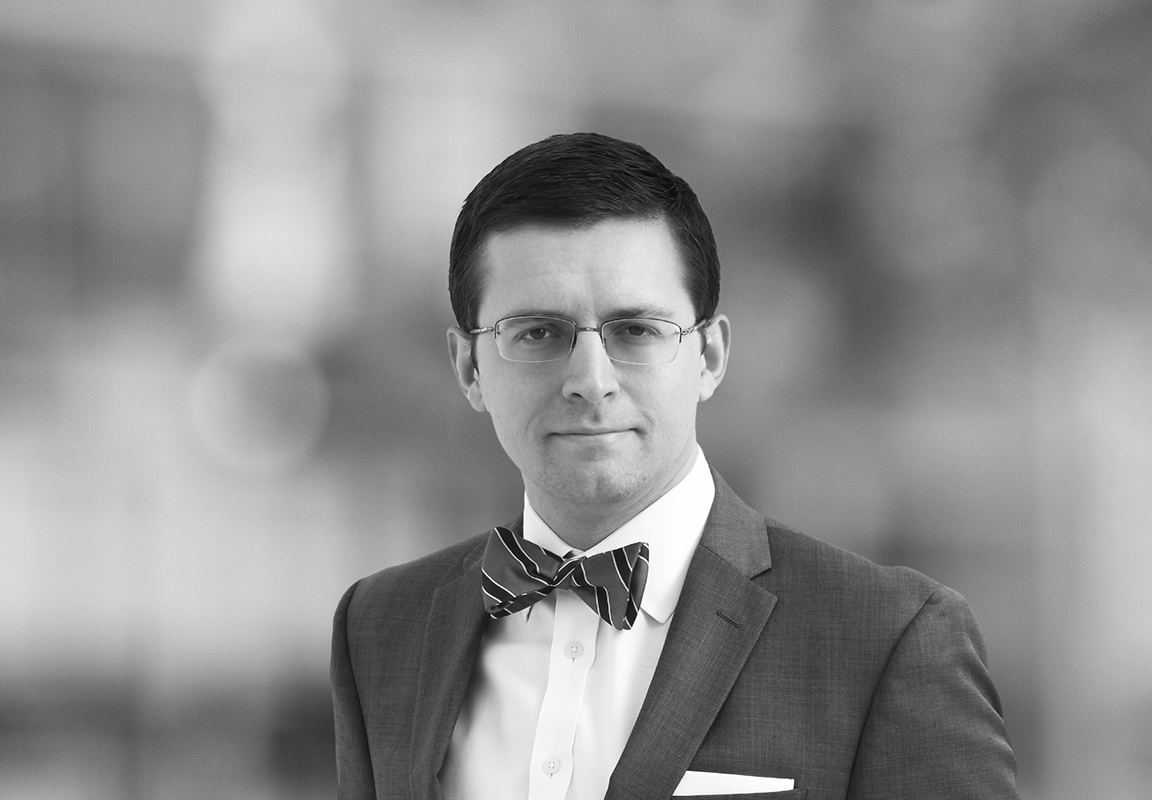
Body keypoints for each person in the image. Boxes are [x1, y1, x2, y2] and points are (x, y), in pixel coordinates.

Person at [330, 132, 1019, 800]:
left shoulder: (889, 639)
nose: (590, 381)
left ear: (709, 357)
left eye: (636, 330)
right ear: (468, 368)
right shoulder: (378, 628)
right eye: (537, 333)